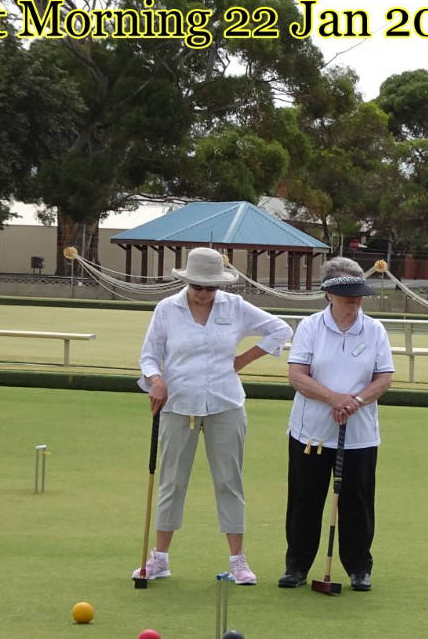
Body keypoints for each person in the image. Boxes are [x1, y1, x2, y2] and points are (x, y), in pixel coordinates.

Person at [135, 246, 293, 585]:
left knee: (228, 482)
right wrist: (156, 380)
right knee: (171, 481)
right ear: (187, 282)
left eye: (211, 288)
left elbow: (281, 330)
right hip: (177, 405)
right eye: (198, 287)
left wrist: (243, 360)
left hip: (226, 405)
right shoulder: (167, 309)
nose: (204, 294)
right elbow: (149, 356)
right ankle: (159, 558)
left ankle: (238, 561)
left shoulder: (235, 307)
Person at [278, 257, 396, 591]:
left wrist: (355, 401)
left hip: (359, 434)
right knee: (305, 499)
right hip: (311, 431)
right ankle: (297, 566)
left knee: (357, 501)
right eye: (348, 295)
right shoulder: (310, 327)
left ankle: (359, 567)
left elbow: (384, 377)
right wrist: (334, 399)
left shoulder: (374, 330)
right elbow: (297, 376)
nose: (355, 301)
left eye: (359, 294)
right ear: (328, 294)